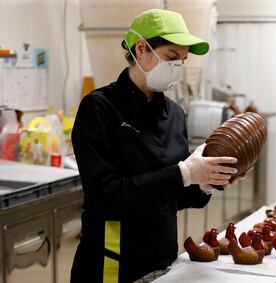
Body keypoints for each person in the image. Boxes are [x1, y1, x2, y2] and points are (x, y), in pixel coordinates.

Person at [70, 9, 242, 282]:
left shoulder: (174, 113)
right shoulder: (99, 108)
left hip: (163, 260)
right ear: (141, 49)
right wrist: (185, 173)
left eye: (182, 60)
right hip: (112, 264)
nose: (177, 67)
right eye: (172, 58)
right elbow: (106, 196)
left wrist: (205, 182)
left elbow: (175, 195)